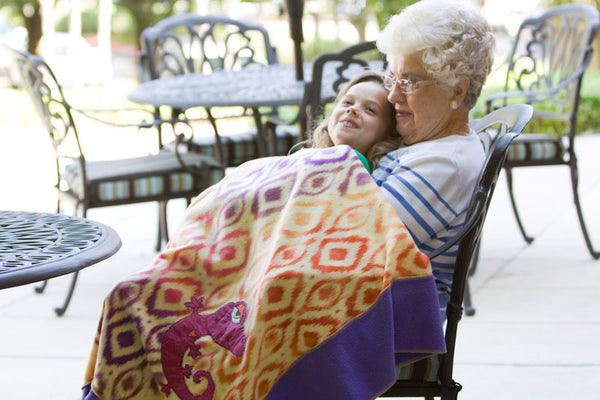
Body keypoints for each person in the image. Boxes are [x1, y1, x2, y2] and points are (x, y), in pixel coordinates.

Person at [372, 0, 496, 314]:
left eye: (409, 82)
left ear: (457, 90)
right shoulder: (435, 145)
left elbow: (360, 245)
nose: (392, 96)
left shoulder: (445, 164)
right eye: (393, 78)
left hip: (392, 337)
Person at [310, 70, 402, 172]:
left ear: (389, 131)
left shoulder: (378, 175)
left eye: (370, 109)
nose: (352, 109)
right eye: (347, 102)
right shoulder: (309, 158)